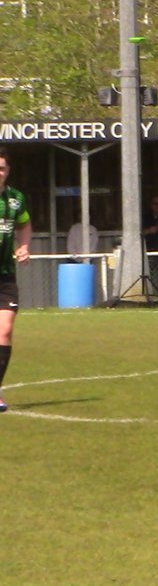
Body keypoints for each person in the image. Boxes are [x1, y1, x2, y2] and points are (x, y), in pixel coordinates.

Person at [0, 149, 31, 412]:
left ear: (8, 171)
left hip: (5, 275)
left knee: (5, 330)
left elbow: (24, 225)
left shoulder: (15, 199)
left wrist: (24, 246)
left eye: (1, 168)